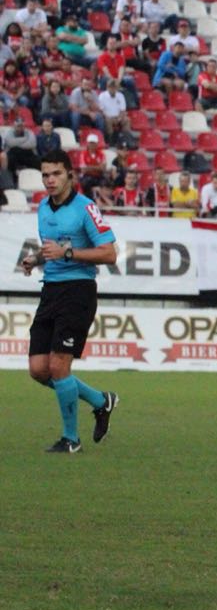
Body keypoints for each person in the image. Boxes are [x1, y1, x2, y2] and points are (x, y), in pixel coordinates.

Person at [19, 148, 121, 454]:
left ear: (70, 175)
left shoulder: (85, 208)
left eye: (56, 174)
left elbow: (110, 253)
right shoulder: (42, 208)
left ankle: (70, 439)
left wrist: (68, 254)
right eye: (45, 175)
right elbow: (52, 249)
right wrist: (35, 259)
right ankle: (101, 401)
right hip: (50, 290)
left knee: (59, 366)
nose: (50, 181)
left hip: (78, 291)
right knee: (39, 369)